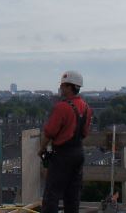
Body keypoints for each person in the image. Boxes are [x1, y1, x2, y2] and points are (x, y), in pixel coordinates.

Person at [38, 70, 93, 213]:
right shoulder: (86, 107)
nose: (61, 88)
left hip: (62, 155)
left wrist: (41, 148)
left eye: (63, 86)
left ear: (70, 87)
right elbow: (85, 133)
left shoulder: (61, 107)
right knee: (73, 194)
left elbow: (49, 132)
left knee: (52, 194)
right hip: (78, 153)